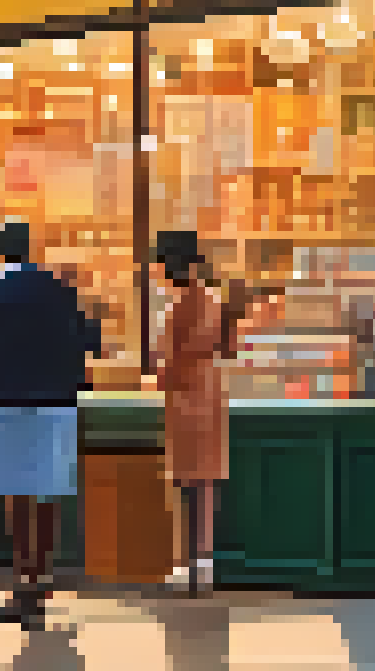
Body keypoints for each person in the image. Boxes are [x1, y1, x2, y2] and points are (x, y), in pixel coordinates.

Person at [0, 220, 100, 629]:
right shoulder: (59, 290)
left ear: (0, 250)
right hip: (56, 403)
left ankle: (21, 584)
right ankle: (42, 582)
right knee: (48, 494)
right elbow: (88, 339)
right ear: (31, 249)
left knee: (16, 498)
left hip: (5, 403)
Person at [156, 229, 229, 594]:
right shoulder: (212, 299)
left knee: (184, 484)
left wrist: (159, 377)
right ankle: (205, 561)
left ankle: (185, 563)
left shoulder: (177, 306)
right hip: (210, 393)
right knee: (206, 483)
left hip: (185, 397)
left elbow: (169, 362)